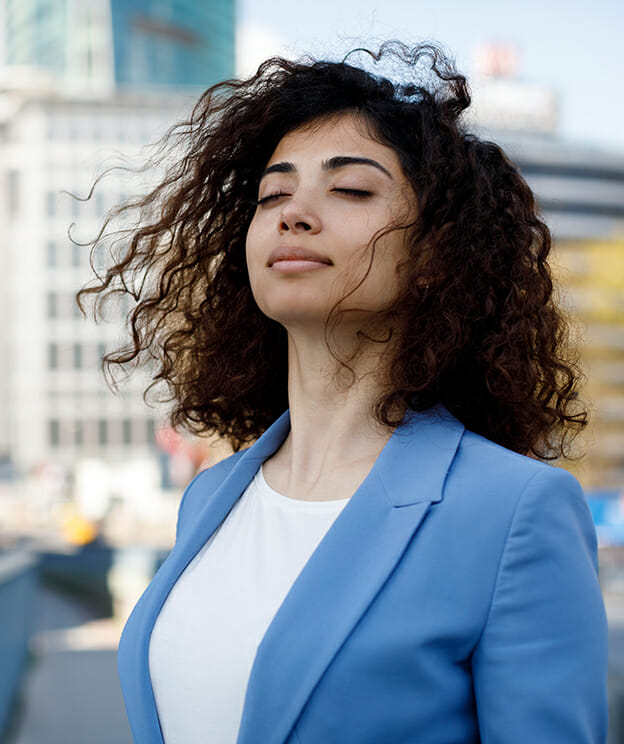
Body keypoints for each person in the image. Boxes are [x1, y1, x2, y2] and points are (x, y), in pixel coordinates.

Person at [80, 41, 608, 743]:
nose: (294, 212)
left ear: (434, 255)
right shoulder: (213, 497)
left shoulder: (516, 512)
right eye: (274, 193)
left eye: (351, 189)